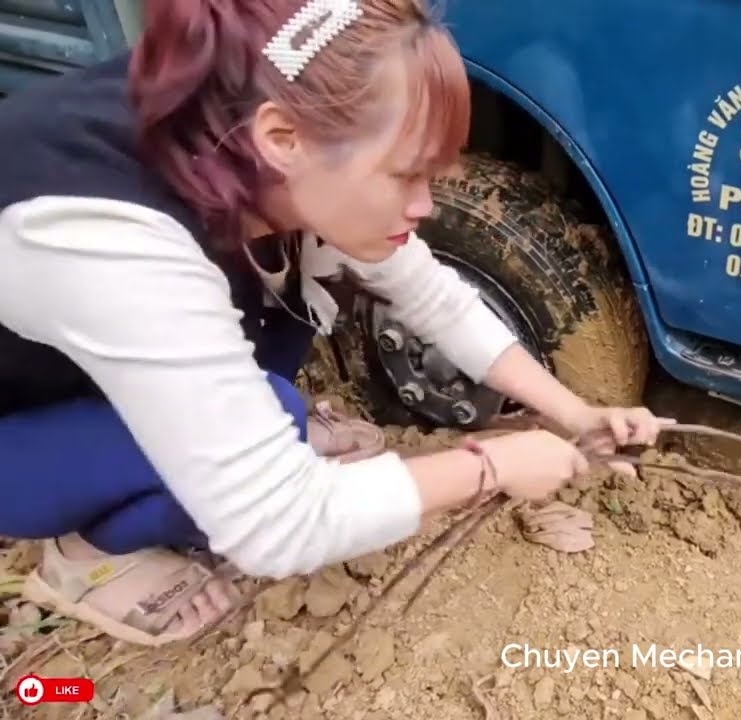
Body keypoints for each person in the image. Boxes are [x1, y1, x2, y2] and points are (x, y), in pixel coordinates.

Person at [0, 0, 665, 647]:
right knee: (278, 418)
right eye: (405, 176)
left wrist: (576, 413)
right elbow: (276, 524)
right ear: (282, 139)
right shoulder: (109, 236)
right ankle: (88, 556)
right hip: (16, 430)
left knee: (280, 383)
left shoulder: (264, 125)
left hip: (86, 358)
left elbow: (437, 298)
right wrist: (492, 465)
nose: (424, 206)